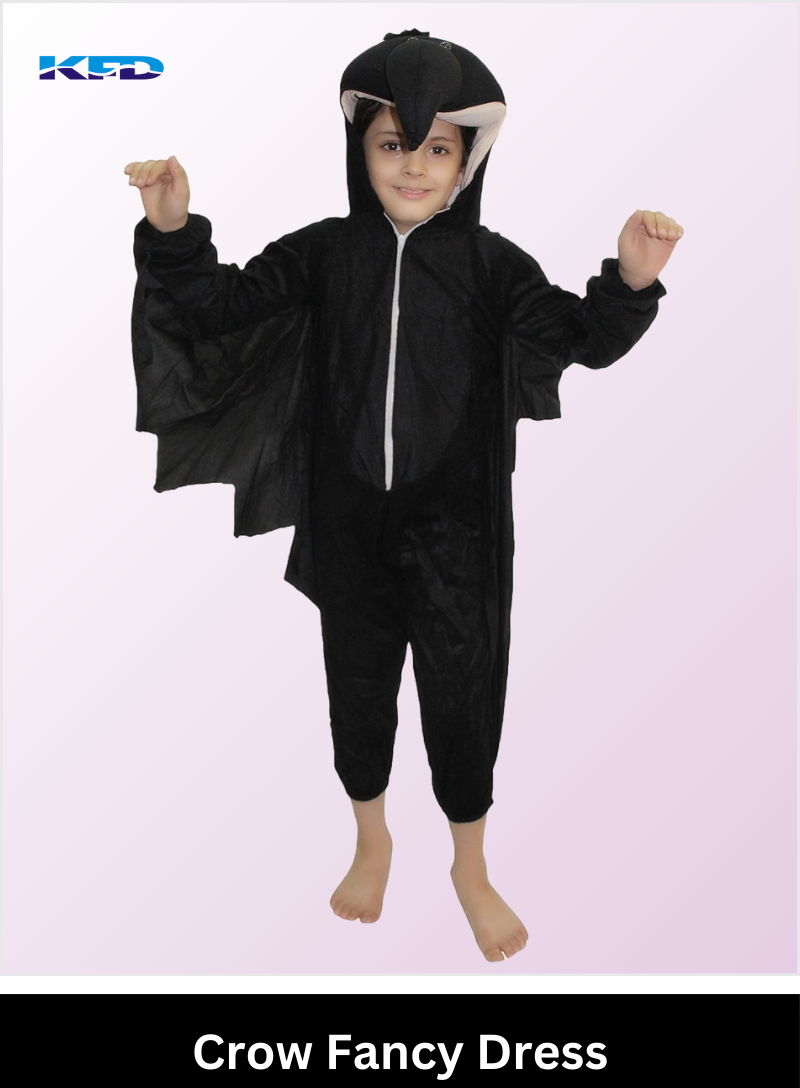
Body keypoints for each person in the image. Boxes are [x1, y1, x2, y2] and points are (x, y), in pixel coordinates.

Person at [126, 31, 683, 962]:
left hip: (458, 530)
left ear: (468, 162)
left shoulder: (491, 266)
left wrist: (630, 281)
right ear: (361, 150)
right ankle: (371, 838)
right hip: (348, 521)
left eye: (436, 149)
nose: (414, 166)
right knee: (357, 688)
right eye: (393, 144)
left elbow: (581, 336)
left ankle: (470, 864)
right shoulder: (323, 253)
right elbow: (214, 309)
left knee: (464, 696)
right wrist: (175, 231)